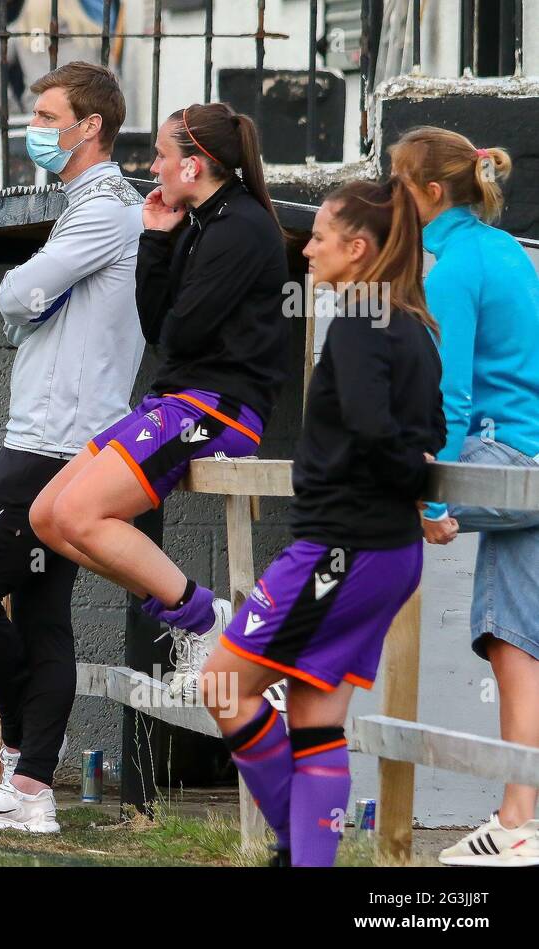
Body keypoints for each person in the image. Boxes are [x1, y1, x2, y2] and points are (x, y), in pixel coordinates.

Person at [201, 178, 446, 867]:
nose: (305, 249)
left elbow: (378, 432)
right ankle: (307, 857)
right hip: (381, 555)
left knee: (222, 684)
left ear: (359, 248)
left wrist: (405, 486)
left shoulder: (361, 317)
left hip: (342, 553)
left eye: (319, 237)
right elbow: (432, 430)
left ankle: (296, 847)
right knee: (312, 715)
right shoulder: (416, 326)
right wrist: (414, 492)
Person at [0, 62, 143, 833]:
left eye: (48, 114)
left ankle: (26, 761)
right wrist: (32, 298)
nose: (36, 126)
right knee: (44, 615)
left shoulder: (105, 208)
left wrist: (28, 296)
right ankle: (30, 788)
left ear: (91, 126)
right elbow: (31, 300)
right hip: (57, 435)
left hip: (56, 442)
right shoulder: (87, 204)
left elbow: (18, 295)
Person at [29, 103, 290, 703]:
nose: (154, 167)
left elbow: (180, 335)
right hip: (174, 400)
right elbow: (159, 329)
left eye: (164, 156)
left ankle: (209, 623)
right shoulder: (196, 221)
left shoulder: (241, 228)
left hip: (217, 408)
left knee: (79, 516)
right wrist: (154, 240)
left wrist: (169, 277)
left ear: (194, 166)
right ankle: (198, 615)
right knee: (47, 517)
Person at [387, 126, 539, 867]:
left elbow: (446, 396)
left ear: (430, 192)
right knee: (516, 643)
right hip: (530, 459)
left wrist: (436, 501)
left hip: (504, 460)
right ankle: (518, 821)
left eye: (398, 184)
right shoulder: (506, 250)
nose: (390, 198)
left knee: (361, 500)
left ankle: (258, 659)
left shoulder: (446, 266)